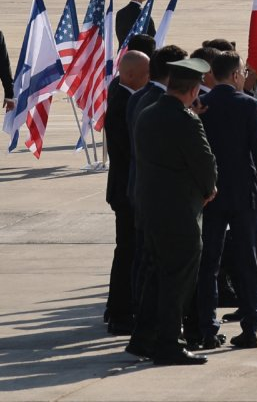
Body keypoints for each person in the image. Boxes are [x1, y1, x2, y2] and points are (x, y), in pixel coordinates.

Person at [127, 55, 217, 366]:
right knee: (177, 279)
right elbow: (205, 164)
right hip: (179, 211)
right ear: (193, 90)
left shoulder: (147, 114)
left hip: (150, 208)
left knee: (155, 274)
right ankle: (169, 343)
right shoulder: (186, 120)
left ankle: (143, 339)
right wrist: (209, 189)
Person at [195, 49, 257, 350]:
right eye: (243, 71)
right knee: (247, 262)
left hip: (211, 195)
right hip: (245, 195)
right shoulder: (248, 105)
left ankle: (207, 327)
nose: (245, 76)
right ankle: (250, 327)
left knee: (210, 263)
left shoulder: (201, 105)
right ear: (234, 75)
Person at [103, 49, 150, 334]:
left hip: (127, 190)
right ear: (130, 75)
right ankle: (120, 313)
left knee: (129, 251)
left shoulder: (126, 95)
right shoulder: (123, 102)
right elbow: (128, 153)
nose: (149, 80)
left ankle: (118, 307)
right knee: (128, 252)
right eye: (146, 75)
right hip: (127, 192)